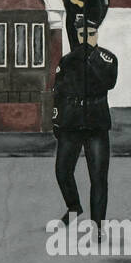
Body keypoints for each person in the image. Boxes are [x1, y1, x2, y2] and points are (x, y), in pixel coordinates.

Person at [52, 14, 118, 231]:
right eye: (82, 34)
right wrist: (56, 121)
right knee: (62, 170)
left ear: (96, 34)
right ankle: (74, 207)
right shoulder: (68, 60)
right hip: (71, 121)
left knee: (98, 177)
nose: (87, 38)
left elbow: (109, 82)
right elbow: (58, 92)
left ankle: (98, 225)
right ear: (77, 35)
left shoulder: (107, 58)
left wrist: (92, 57)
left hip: (96, 123)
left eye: (91, 34)